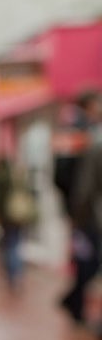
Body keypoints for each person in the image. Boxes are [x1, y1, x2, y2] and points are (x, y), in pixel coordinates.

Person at [63, 93, 102, 324]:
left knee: (88, 264)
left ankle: (73, 302)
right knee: (88, 264)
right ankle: (74, 304)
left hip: (89, 216)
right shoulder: (83, 134)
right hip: (91, 218)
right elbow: (84, 187)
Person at [0, 160, 36, 292]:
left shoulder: (2, 178)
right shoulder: (20, 178)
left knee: (10, 245)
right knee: (16, 244)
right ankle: (17, 272)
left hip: (8, 217)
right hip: (20, 216)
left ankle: (12, 274)